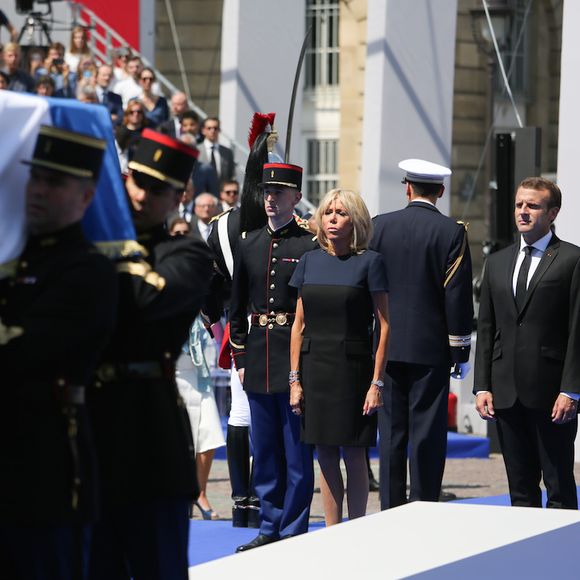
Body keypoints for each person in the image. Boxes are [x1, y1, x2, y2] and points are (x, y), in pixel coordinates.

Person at [88, 129, 213, 579]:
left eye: (158, 188)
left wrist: (109, 241)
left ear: (179, 196)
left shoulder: (186, 253)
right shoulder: (86, 246)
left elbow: (146, 296)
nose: (142, 195)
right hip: (88, 433)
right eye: (137, 181)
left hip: (150, 437)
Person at [0, 125, 117, 579]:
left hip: (46, 464)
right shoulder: (11, 262)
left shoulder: (90, 271)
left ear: (86, 197)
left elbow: (29, 351)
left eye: (55, 182)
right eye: (36, 178)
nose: (40, 191)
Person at [370, 159, 473, 510]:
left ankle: (390, 509)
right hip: (431, 349)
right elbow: (456, 295)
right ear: (440, 192)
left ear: (408, 188)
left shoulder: (379, 227)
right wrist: (460, 350)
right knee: (426, 434)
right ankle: (424, 506)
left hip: (386, 346)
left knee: (391, 435)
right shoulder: (451, 232)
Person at [474, 177, 580, 509]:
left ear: (552, 213)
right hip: (506, 394)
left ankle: (562, 558)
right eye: (520, 204)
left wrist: (571, 389)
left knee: (559, 484)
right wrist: (482, 386)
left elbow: (578, 329)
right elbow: (488, 326)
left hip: (552, 395)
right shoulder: (498, 262)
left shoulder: (571, 259)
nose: (523, 211)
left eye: (532, 205)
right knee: (519, 489)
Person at [229, 162, 317, 552]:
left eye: (279, 192)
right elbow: (236, 308)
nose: (270, 198)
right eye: (267, 191)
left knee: (296, 451)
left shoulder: (308, 245)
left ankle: (295, 526)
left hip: (294, 357)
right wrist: (242, 358)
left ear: (296, 197)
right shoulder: (249, 243)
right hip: (259, 355)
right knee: (263, 449)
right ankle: (269, 522)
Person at [288, 189, 389, 526]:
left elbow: (385, 326)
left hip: (354, 370)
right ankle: (332, 533)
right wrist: (294, 380)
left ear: (355, 220)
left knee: (354, 452)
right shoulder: (309, 261)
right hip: (315, 368)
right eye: (328, 212)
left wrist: (376, 382)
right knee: (325, 454)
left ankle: (357, 529)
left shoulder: (370, 262)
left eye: (340, 213)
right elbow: (298, 325)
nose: (332, 218)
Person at [207, 114, 274, 529]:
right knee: (263, 413)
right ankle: (262, 498)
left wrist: (212, 318)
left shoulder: (219, 227)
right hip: (270, 328)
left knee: (240, 414)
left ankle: (242, 502)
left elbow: (209, 288)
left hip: (238, 330)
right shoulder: (276, 224)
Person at [175, 315, 226, 520]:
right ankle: (180, 496)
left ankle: (200, 493)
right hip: (171, 373)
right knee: (177, 442)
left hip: (198, 375)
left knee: (210, 433)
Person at [198, 116, 235, 183]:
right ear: (203, 131)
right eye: (209, 128)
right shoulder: (196, 150)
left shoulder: (227, 152)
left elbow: (231, 175)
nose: (213, 131)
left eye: (215, 128)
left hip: (220, 191)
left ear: (219, 130)